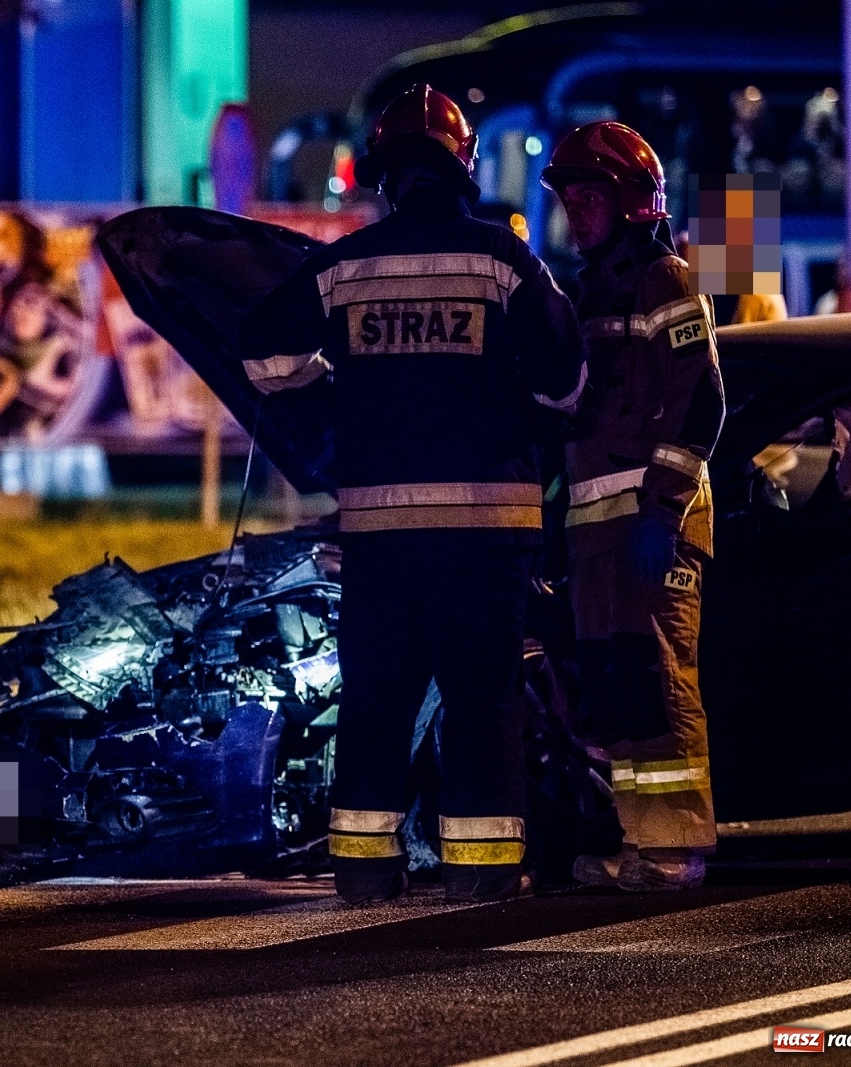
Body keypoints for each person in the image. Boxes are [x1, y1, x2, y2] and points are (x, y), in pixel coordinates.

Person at [240, 85, 587, 904]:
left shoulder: (343, 266)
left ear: (384, 172)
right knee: (480, 699)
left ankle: (363, 866)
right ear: (463, 165)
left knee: (377, 697)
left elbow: (264, 359)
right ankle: (483, 872)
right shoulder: (505, 261)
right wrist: (507, 406)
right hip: (486, 534)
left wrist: (342, 407)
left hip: (381, 536)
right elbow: (565, 383)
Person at [542, 120, 726, 891]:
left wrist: (663, 507)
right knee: (619, 689)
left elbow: (702, 402)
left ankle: (677, 848)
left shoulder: (667, 279)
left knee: (660, 683)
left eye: (589, 198)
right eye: (571, 199)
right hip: (598, 537)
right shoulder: (586, 292)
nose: (576, 213)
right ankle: (640, 844)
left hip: (654, 529)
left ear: (630, 202)